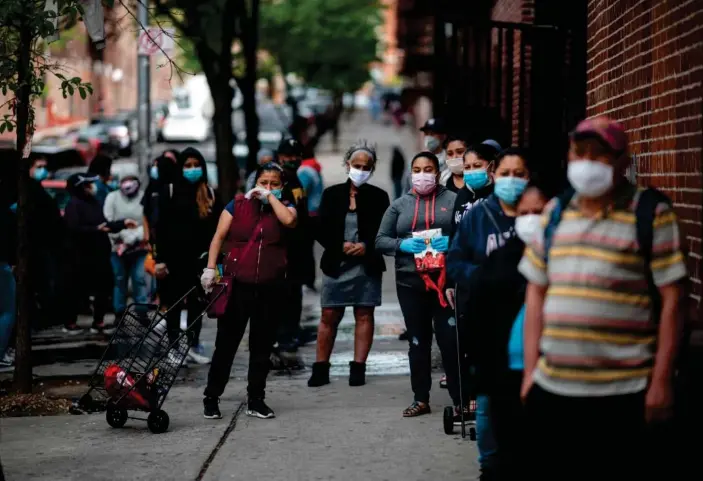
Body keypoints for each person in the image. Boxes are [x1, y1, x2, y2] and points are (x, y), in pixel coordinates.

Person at [519, 117, 688, 480]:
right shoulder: (555, 214)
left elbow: (674, 299)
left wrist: (661, 380)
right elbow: (536, 293)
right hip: (555, 388)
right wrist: (530, 373)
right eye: (581, 153)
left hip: (625, 393)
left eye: (600, 154)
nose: (588, 162)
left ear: (622, 160)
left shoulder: (650, 214)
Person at [447, 147, 532, 480]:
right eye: (506, 173)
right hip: (490, 319)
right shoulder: (478, 217)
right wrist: (483, 278)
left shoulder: (539, 214)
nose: (512, 180)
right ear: (495, 176)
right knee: (488, 400)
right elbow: (455, 261)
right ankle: (490, 466)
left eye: (520, 174)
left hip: (533, 318)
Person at [458, 182, 548, 481]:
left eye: (539, 212)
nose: (532, 219)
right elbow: (478, 322)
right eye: (525, 213)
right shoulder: (498, 263)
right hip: (504, 376)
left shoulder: (566, 259)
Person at [200, 162, 297, 420]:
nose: (267, 188)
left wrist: (270, 198)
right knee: (226, 344)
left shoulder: (285, 207)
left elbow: (289, 220)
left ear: (281, 187)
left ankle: (256, 399)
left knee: (262, 346)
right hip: (237, 287)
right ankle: (211, 396)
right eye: (263, 183)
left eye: (274, 184)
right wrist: (210, 268)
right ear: (254, 182)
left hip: (270, 288)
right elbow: (218, 237)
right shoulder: (237, 206)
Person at [376, 152, 464, 417]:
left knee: (451, 341)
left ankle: (461, 400)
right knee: (418, 341)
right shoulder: (399, 205)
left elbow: (468, 234)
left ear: (437, 173)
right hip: (410, 283)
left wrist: (452, 242)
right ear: (411, 173)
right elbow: (380, 240)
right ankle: (420, 398)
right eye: (417, 169)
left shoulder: (454, 200)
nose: (422, 174)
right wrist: (401, 245)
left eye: (428, 169)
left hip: (446, 284)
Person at [307, 143, 390, 388]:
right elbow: (320, 228)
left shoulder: (378, 196)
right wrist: (339, 245)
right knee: (329, 314)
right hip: (337, 263)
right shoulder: (331, 195)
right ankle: (321, 367)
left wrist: (367, 245)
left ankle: (358, 368)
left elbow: (385, 230)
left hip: (367, 264)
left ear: (372, 169)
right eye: (356, 166)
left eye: (366, 167)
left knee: (364, 313)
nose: (361, 170)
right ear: (347, 166)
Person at [155, 147, 222, 365]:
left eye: (196, 165)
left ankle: (192, 345)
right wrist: (160, 260)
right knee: (174, 305)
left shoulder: (210, 194)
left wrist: (215, 263)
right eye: (188, 165)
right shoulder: (170, 191)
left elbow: (218, 231)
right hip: (174, 261)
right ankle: (174, 348)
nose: (193, 169)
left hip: (200, 262)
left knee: (197, 304)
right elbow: (161, 228)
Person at [63, 173, 138, 334]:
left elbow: (104, 224)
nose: (92, 187)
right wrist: (95, 230)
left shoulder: (94, 203)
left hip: (99, 255)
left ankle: (99, 321)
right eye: (88, 185)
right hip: (81, 256)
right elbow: (74, 229)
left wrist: (122, 224)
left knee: (104, 287)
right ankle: (70, 322)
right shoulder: (74, 205)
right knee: (76, 289)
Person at [273, 138, 310, 361]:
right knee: (283, 294)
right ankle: (282, 334)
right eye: (287, 156)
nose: (292, 160)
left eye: (296, 156)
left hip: (297, 249)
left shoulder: (295, 179)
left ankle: (292, 331)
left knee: (295, 292)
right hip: (282, 249)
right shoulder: (278, 180)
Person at [104, 167, 149, 320]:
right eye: (124, 180)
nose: (128, 184)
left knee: (139, 278)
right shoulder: (112, 198)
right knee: (119, 279)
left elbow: (147, 222)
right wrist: (124, 235)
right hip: (117, 248)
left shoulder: (144, 197)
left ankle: (142, 312)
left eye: (131, 179)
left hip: (139, 248)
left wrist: (134, 237)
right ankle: (119, 312)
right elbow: (108, 222)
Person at [451, 142, 500, 236]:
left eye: (477, 166)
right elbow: (454, 230)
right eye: (467, 167)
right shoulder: (462, 194)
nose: (471, 171)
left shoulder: (498, 195)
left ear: (492, 166)